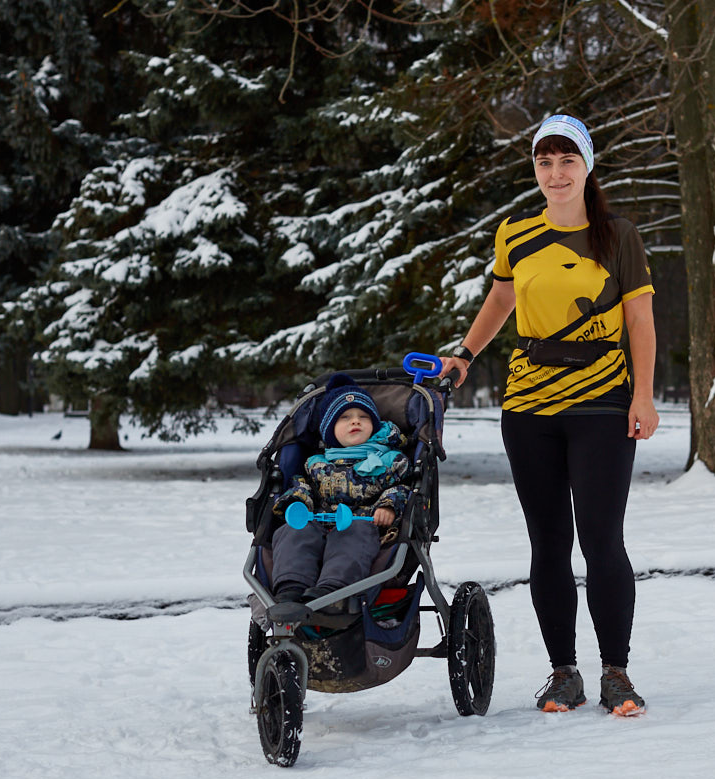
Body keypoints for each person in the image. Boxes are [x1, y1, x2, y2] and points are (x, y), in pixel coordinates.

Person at [441, 114, 659, 717]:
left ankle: (616, 672)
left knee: (601, 540)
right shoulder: (515, 232)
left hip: (602, 401)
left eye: (567, 161)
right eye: (545, 161)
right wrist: (464, 353)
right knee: (548, 543)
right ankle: (564, 673)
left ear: (586, 167)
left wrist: (643, 396)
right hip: (530, 404)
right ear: (535, 168)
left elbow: (640, 322)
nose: (556, 173)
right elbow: (503, 298)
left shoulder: (618, 236)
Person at [270, 374, 412, 603]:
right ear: (329, 430)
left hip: (363, 524)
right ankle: (291, 588)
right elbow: (301, 484)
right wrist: (297, 501)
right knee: (295, 530)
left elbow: (402, 487)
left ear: (374, 425)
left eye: (363, 416)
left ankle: (332, 591)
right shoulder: (316, 463)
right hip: (318, 522)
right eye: (345, 417)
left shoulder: (388, 461)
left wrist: (388, 506)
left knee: (352, 534)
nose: (355, 421)